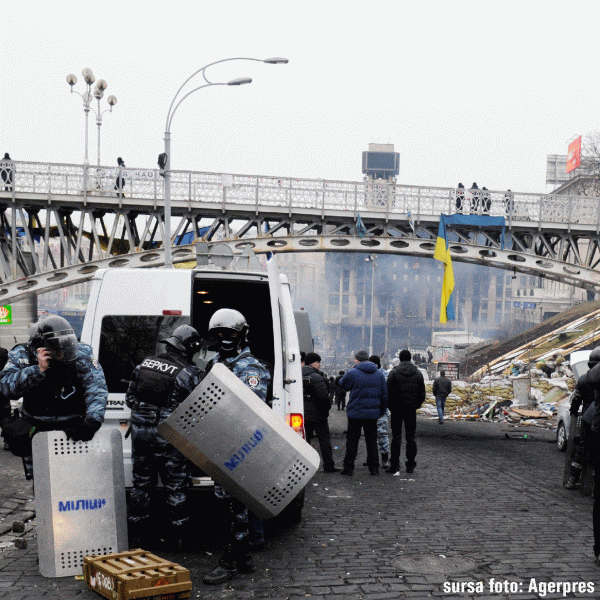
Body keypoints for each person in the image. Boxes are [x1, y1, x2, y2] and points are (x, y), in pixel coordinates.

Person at [202, 308, 272, 585]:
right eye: (218, 334)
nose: (223, 338)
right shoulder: (217, 363)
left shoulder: (250, 367)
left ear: (241, 334)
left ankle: (229, 563)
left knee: (233, 509)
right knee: (230, 507)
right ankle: (244, 559)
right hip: (220, 444)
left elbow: (249, 411)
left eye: (229, 333)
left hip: (240, 448)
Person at [0, 315, 108, 480]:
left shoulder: (82, 353)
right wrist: (37, 370)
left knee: (75, 479)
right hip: (37, 430)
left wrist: (93, 421)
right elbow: (6, 386)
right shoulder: (23, 353)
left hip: (71, 429)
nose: (62, 352)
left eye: (65, 346)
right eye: (57, 348)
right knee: (43, 481)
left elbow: (96, 387)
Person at [125, 324, 203, 549]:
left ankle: (138, 537)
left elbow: (131, 399)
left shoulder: (144, 365)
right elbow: (198, 410)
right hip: (169, 437)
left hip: (140, 435)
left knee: (141, 485)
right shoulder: (189, 373)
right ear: (189, 349)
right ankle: (179, 538)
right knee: (176, 488)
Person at [338, 350, 387, 476]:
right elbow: (384, 395)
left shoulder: (353, 372)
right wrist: (381, 411)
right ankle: (374, 468)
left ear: (357, 360)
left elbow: (344, 385)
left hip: (355, 413)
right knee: (371, 441)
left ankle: (348, 468)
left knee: (352, 441)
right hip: (372, 414)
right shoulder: (378, 374)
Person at [386, 349, 426, 475]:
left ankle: (394, 465)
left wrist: (391, 406)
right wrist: (416, 405)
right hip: (411, 409)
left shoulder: (393, 373)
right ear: (410, 358)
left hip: (397, 409)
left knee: (396, 437)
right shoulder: (418, 373)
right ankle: (410, 465)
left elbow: (387, 393)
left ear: (400, 359)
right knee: (411, 437)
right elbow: (422, 393)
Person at [302, 352, 338, 473]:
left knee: (305, 440)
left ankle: (304, 466)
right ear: (313, 363)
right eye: (318, 362)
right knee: (324, 440)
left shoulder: (296, 375)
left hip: (302, 414)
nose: (320, 364)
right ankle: (328, 465)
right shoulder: (317, 377)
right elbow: (324, 398)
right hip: (318, 414)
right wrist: (326, 410)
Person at [368, 355, 390, 469]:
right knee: (371, 435)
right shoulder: (370, 374)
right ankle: (372, 457)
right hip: (372, 408)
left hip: (381, 409)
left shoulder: (385, 375)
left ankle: (384, 457)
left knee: (381, 434)